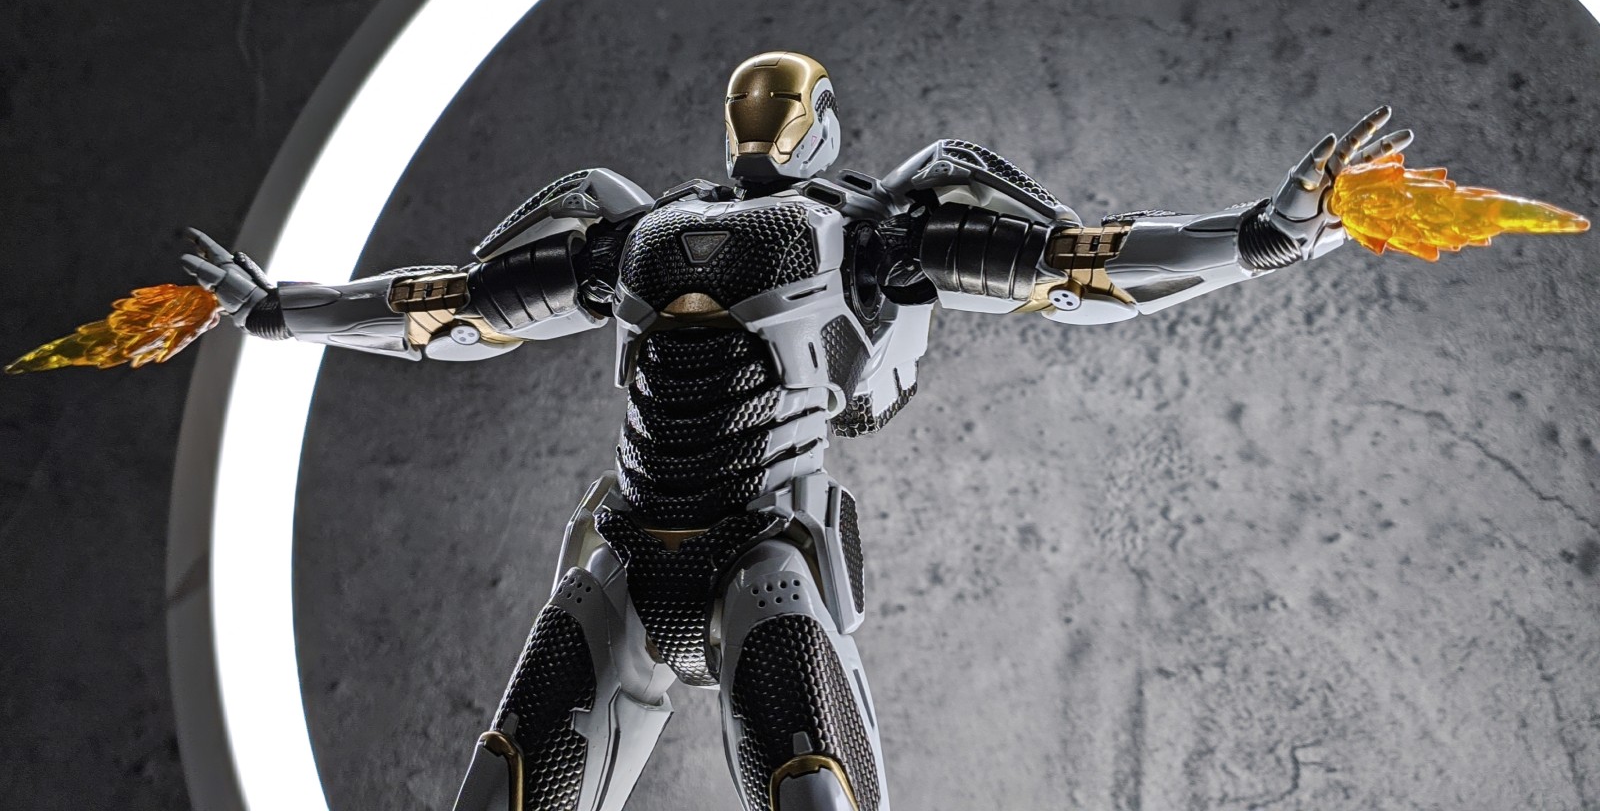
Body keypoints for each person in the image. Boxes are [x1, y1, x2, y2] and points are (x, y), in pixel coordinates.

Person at [183, 51, 1407, 811]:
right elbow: (453, 306)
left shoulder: (846, 229)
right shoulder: (652, 233)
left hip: (748, 560)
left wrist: (1259, 237)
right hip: (634, 557)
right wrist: (282, 311)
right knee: (509, 790)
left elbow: (1071, 262)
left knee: (804, 790)